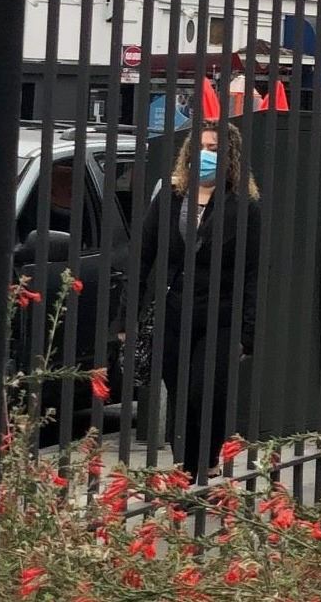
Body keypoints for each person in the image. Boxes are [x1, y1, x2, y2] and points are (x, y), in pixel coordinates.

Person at [127, 122, 262, 482]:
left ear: (229, 155)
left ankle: (205, 461)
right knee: (180, 393)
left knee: (206, 389)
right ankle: (185, 468)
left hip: (220, 316)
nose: (206, 153)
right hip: (174, 311)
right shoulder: (170, 198)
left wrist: (246, 333)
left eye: (214, 147)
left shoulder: (243, 206)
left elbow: (252, 273)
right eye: (201, 145)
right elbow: (143, 256)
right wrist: (128, 316)